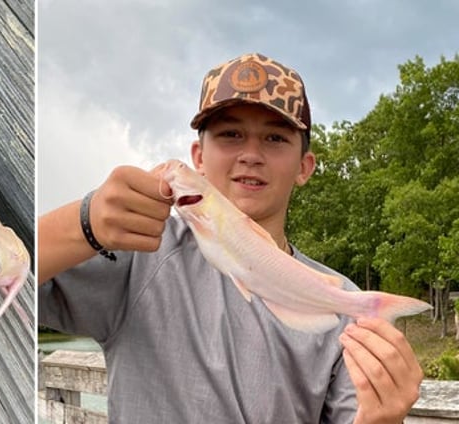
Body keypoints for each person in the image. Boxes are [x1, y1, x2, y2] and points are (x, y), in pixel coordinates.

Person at [38, 53, 423, 423]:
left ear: (305, 167)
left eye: (275, 138)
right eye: (230, 134)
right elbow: (10, 271)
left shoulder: (345, 304)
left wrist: (381, 420)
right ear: (198, 157)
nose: (251, 154)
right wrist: (83, 222)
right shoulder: (141, 253)